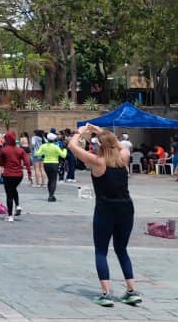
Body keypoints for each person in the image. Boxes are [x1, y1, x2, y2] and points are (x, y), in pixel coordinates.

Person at [68, 124, 142, 307]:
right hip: (126, 209)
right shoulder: (123, 158)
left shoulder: (97, 161)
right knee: (122, 250)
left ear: (99, 146)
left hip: (105, 210)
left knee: (101, 251)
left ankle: (106, 294)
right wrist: (100, 131)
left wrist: (80, 131)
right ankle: (131, 291)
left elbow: (72, 146)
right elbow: (118, 144)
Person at [0, 131, 32, 222]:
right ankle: (17, 205)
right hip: (18, 175)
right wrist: (29, 174)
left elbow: (1, 163)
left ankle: (10, 216)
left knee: (9, 194)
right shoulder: (20, 150)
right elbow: (27, 162)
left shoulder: (4, 150)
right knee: (13, 189)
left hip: (8, 174)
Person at [35, 132, 67, 202]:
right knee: (53, 180)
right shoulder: (56, 147)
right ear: (54, 139)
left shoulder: (43, 146)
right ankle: (51, 196)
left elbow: (37, 153)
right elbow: (63, 155)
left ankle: (50, 194)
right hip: (54, 163)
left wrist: (44, 154)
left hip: (46, 163)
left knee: (49, 179)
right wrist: (65, 149)